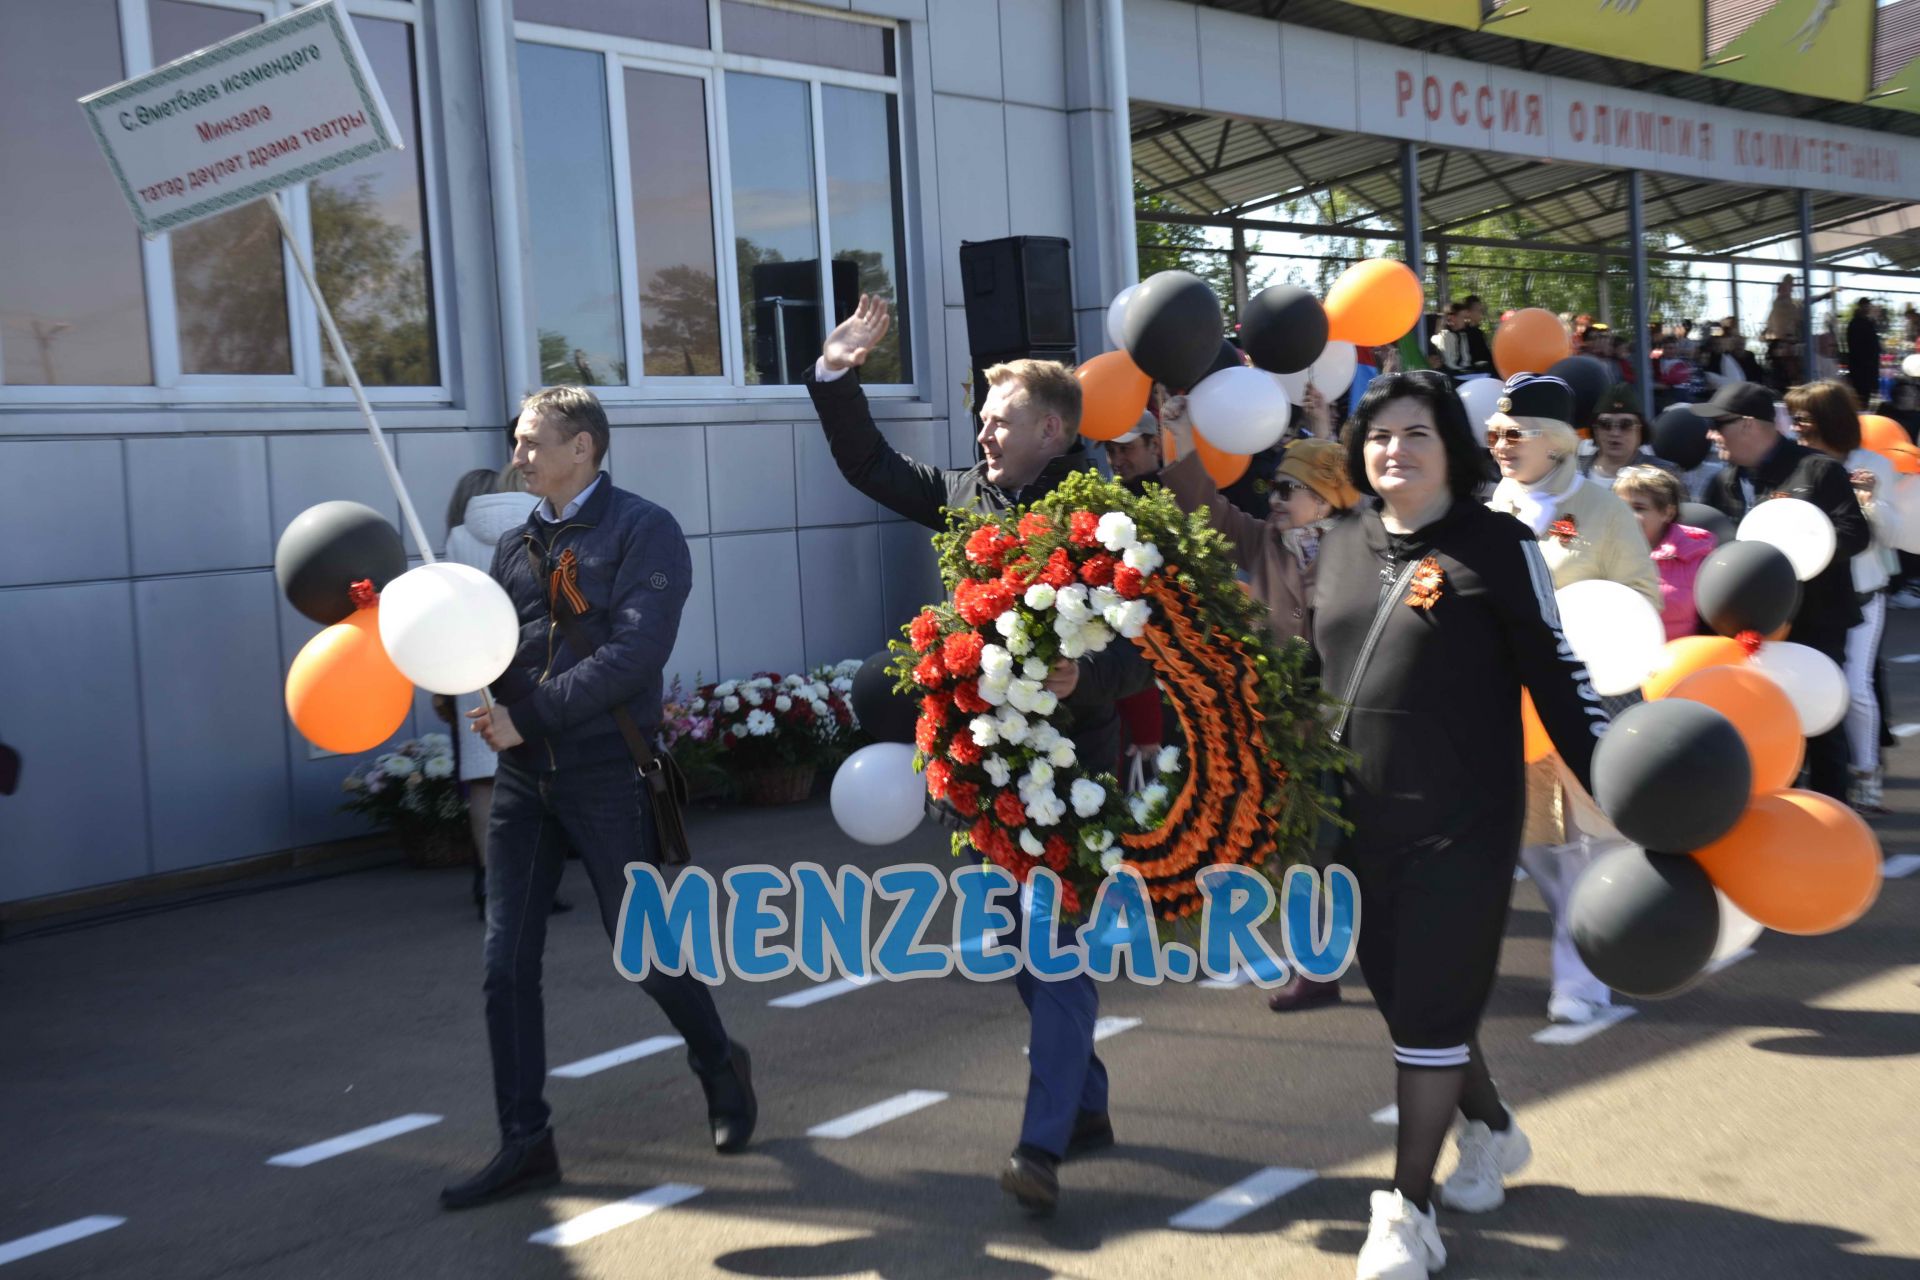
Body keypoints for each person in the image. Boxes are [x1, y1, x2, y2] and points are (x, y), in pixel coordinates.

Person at [805, 294, 1153, 1215]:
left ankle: (1039, 1149)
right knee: (1022, 946)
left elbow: (1146, 643)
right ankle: (1085, 1107)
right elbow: (869, 463)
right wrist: (838, 374)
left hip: (1075, 770)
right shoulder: (965, 496)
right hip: (987, 763)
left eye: (1000, 422)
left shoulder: (1105, 515)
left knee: (1054, 946)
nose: (985, 435)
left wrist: (1093, 679)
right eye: (981, 421)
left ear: (1051, 428)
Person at [1316, 371, 1609, 1280]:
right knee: (1412, 1004)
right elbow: (1308, 667)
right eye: (1378, 436)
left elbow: (1558, 675)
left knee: (1433, 1006)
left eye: (1415, 434)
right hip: (1355, 822)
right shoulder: (1339, 541)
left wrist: (1617, 780)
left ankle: (1408, 1210)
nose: (1393, 450)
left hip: (1464, 823)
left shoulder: (1500, 544)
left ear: (1451, 447)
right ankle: (1488, 1129)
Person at [441, 386, 757, 1211]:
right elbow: (499, 651)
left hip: (607, 774)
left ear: (582, 446)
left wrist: (530, 713)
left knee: (642, 951)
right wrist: (457, 682)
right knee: (504, 962)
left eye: (531, 442)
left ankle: (718, 1060)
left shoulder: (644, 529)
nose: (518, 456)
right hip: (524, 782)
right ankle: (525, 1142)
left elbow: (634, 654)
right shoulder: (512, 545)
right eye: (517, 442)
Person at [1157, 405, 1359, 1012]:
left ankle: (1389, 948)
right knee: (1299, 848)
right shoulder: (1264, 538)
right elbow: (1201, 504)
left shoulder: (1365, 547)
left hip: (1354, 722)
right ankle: (1315, 969)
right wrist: (1181, 431)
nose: (1274, 498)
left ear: (1324, 500)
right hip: (1286, 728)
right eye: (1274, 486)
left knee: (1362, 847)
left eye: (1289, 489)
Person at [1487, 374, 1657, 1028]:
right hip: (1514, 712)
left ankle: (1582, 980)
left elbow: (1642, 597)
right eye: (1494, 434)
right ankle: (1589, 940)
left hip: (1592, 700)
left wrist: (1585, 628)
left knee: (1592, 846)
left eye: (1514, 434)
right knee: (1539, 850)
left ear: (1555, 443)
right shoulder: (1487, 510)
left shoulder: (1606, 510)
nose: (1500, 445)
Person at [1695, 381, 1869, 802]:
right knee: (1763, 717)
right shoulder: (1722, 483)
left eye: (1720, 424)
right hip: (1749, 624)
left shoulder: (1818, 470)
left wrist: (1791, 551)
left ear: (1750, 425)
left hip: (1816, 619)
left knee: (1818, 718)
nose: (1711, 434)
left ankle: (1831, 818)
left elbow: (1855, 534)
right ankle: (1778, 810)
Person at [1787, 380, 1901, 813]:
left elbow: (1891, 536)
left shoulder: (1870, 463)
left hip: (1863, 589)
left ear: (1828, 420)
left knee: (1853, 686)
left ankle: (1867, 772)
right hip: (1809, 595)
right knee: (1807, 685)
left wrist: (1870, 502)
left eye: (1804, 418)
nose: (1796, 427)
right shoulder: (1793, 464)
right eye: (1792, 417)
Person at [439, 465, 547, 920]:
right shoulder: (538, 523)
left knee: (485, 782)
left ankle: (490, 884)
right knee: (539, 776)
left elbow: (443, 609)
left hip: (472, 667)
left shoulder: (458, 538)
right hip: (530, 662)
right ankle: (535, 882)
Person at [1615, 464, 1713, 642]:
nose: (1626, 515)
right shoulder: (1601, 551)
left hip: (1681, 664)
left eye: (1638, 508)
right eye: (1620, 506)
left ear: (1667, 513)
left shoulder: (1698, 557)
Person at [1580, 384, 1682, 491]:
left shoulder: (1663, 474)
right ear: (1595, 430)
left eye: (1626, 425)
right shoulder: (1573, 469)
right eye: (1605, 424)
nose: (1615, 433)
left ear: (1640, 431)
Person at [1103, 410, 1162, 493]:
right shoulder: (1103, 501)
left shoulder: (1180, 494)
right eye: (1110, 451)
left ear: (1155, 445)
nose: (1117, 462)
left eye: (1124, 448)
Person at [1846, 298, 1883, 408]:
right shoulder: (1860, 323)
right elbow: (1866, 346)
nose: (1868, 309)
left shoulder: (1860, 323)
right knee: (1862, 396)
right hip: (1863, 367)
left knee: (1863, 397)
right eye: (1867, 306)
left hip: (1863, 367)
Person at [1459, 296, 1495, 375]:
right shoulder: (1470, 333)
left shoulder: (1477, 332)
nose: (1481, 314)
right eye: (1479, 311)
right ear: (1468, 313)